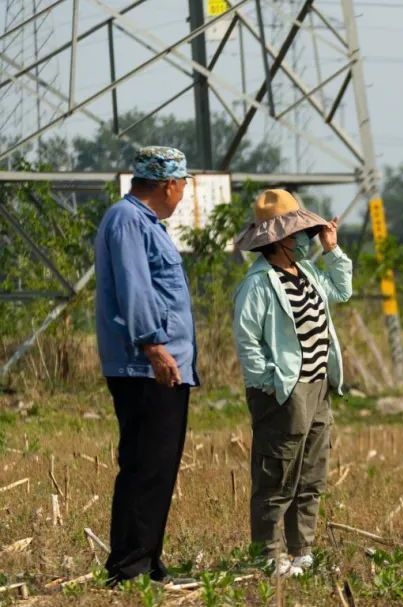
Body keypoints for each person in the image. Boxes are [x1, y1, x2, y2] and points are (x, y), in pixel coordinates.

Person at [232, 189, 352, 577]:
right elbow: (247, 340)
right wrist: (269, 384)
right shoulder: (258, 284)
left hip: (318, 386)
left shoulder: (309, 273)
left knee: (311, 472)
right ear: (280, 238)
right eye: (300, 233)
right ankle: (268, 553)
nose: (305, 239)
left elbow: (342, 290)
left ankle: (301, 550)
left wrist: (332, 249)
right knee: (277, 473)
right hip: (283, 390)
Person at [94, 146, 198, 586]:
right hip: (146, 366)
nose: (183, 193)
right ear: (169, 184)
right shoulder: (128, 221)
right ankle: (129, 567)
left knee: (158, 467)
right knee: (144, 465)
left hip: (165, 365)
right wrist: (153, 345)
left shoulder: (147, 223)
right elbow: (135, 288)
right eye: (183, 185)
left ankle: (147, 561)